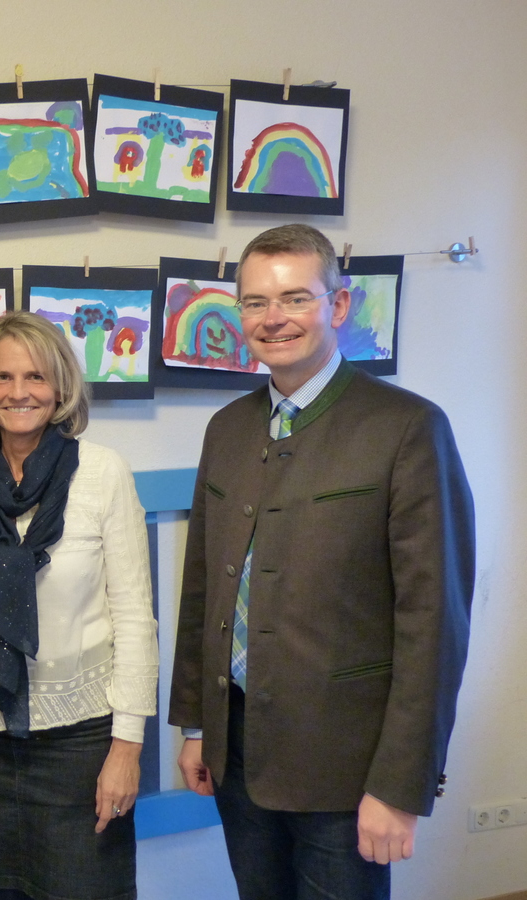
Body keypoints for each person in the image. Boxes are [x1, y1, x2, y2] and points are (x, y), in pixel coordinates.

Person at [168, 224, 475, 900]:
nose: (272, 319)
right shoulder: (227, 428)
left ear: (337, 307)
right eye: (254, 302)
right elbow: (203, 590)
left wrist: (401, 786)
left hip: (347, 765)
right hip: (238, 747)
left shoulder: (407, 429)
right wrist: (195, 725)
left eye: (295, 298)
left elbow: (434, 625)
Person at [0, 310, 159, 900]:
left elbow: (135, 618)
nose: (17, 392)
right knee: (4, 892)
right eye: (2, 378)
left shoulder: (104, 474)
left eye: (34, 377)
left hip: (81, 742)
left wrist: (128, 748)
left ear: (60, 388)